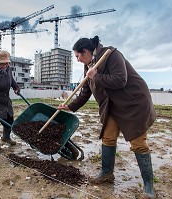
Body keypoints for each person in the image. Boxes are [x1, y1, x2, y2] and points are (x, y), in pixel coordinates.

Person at [58, 36, 156, 198]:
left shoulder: (111, 55)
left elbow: (120, 80)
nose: (77, 59)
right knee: (108, 138)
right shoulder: (88, 65)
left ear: (86, 51)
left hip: (133, 104)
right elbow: (85, 92)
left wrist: (95, 76)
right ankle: (106, 174)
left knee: (138, 143)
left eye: (78, 56)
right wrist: (70, 106)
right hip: (112, 106)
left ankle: (149, 187)